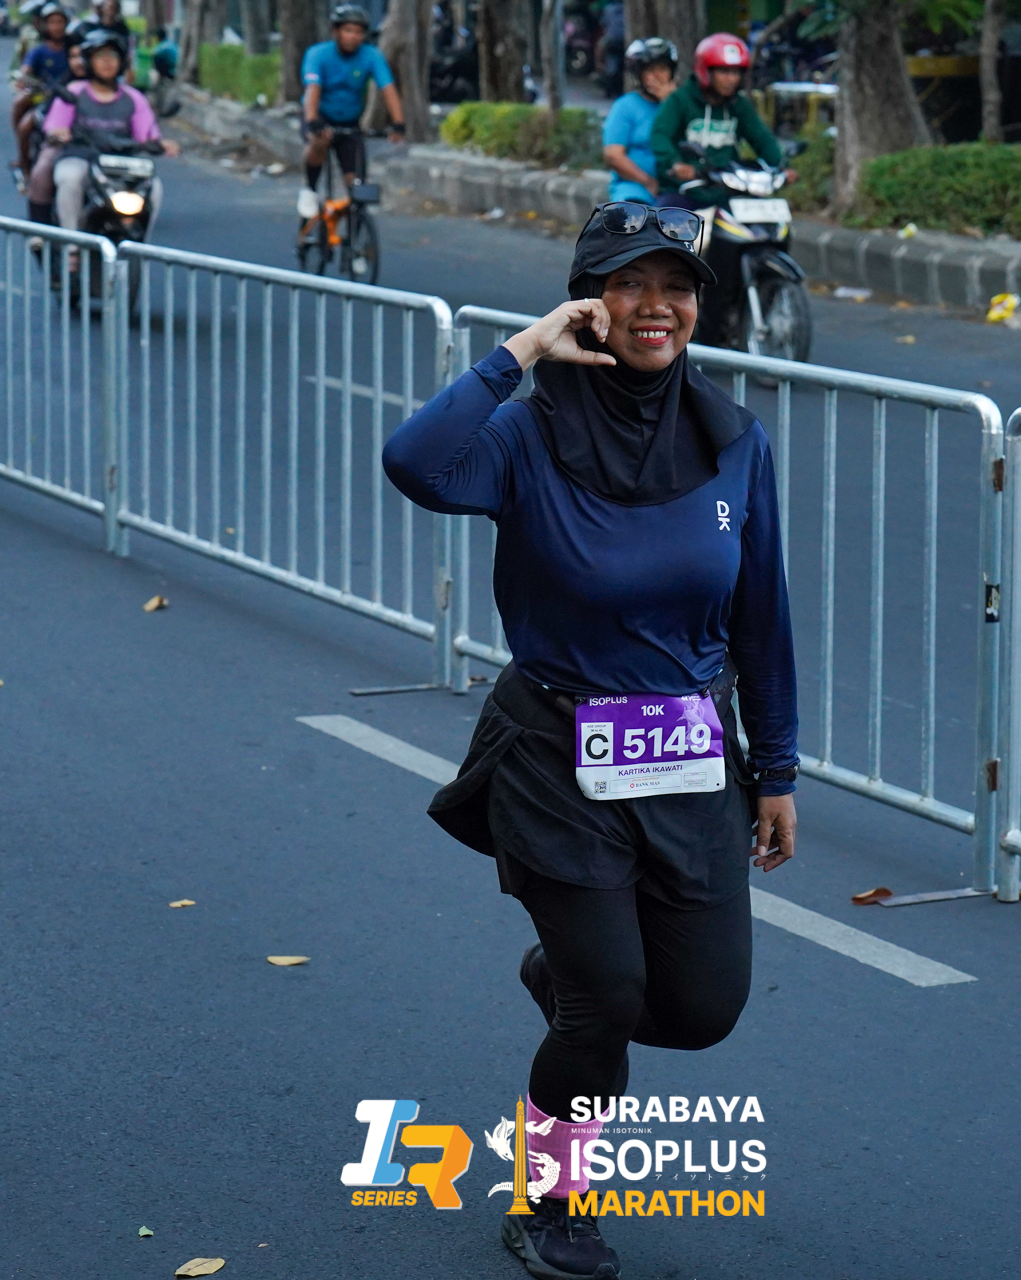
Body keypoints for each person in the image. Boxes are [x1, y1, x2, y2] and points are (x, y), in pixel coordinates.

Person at [382, 203, 798, 1280]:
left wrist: (778, 768)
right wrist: (522, 349)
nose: (656, 307)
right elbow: (416, 463)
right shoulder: (526, 434)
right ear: (589, 301)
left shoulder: (734, 443)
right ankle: (549, 1200)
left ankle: (562, 976)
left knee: (700, 1010)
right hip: (556, 755)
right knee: (606, 1000)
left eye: (678, 287)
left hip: (690, 758)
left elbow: (763, 617)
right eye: (629, 284)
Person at [26, 26, 175, 230]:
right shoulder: (74, 92)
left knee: (154, 188)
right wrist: (59, 134)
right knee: (69, 178)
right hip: (80, 156)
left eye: (112, 56)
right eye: (100, 56)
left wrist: (162, 145)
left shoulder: (134, 98)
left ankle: (139, 244)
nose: (107, 62)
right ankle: (72, 241)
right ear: (89, 61)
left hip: (121, 163)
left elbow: (147, 136)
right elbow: (55, 127)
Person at [648, 31, 782, 207]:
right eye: (724, 72)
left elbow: (762, 138)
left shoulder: (739, 105)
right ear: (705, 71)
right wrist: (675, 164)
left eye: (736, 72)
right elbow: (660, 136)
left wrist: (781, 166)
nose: (731, 79)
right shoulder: (680, 100)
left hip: (729, 190)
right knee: (666, 219)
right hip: (685, 190)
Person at [297, 3, 403, 219]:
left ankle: (356, 230)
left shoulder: (371, 55)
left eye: (358, 32)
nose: (353, 37)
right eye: (347, 30)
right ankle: (310, 189)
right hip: (320, 115)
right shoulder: (318, 54)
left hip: (349, 120)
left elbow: (388, 88)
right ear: (336, 31)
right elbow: (313, 89)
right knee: (319, 141)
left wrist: (398, 123)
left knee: (356, 184)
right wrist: (313, 121)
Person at [599, 36, 675, 204]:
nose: (657, 76)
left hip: (677, 188)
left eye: (663, 69)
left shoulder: (680, 104)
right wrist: (648, 182)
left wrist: (669, 104)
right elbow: (613, 155)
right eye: (650, 70)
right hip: (637, 188)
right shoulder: (626, 106)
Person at [9, 0, 70, 180]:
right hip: (43, 96)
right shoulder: (38, 51)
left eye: (60, 22)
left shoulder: (73, 49)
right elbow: (25, 70)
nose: (56, 27)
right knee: (24, 124)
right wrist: (23, 80)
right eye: (52, 22)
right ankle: (24, 164)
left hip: (69, 98)